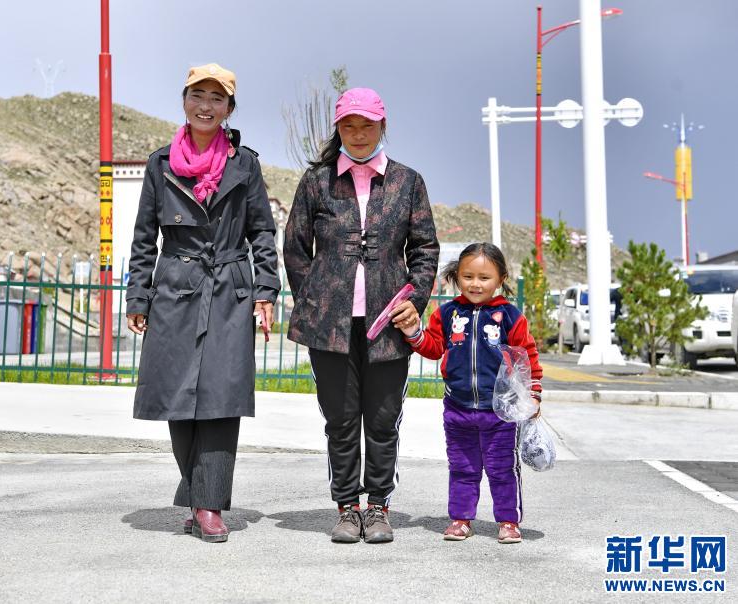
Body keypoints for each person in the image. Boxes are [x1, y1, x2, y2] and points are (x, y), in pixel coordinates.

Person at [125, 63, 280, 543]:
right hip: (176, 287)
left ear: (229, 108)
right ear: (184, 101)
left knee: (221, 397)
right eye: (198, 95)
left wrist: (266, 291)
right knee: (178, 396)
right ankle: (198, 495)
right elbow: (144, 237)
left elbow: (262, 231)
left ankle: (208, 505)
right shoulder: (160, 164)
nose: (206, 106)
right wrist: (139, 295)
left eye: (217, 98)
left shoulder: (245, 163)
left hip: (230, 288)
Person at [284, 87, 439, 544]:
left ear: (381, 126)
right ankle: (347, 507)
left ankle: (378, 507)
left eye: (366, 125)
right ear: (338, 129)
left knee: (383, 419)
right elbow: (295, 249)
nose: (357, 134)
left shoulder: (408, 182)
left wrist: (416, 299)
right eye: (348, 126)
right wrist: (315, 300)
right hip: (330, 327)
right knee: (341, 420)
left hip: (388, 324)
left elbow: (425, 249)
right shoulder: (317, 181)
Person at [394, 242, 542, 544]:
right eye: (468, 276)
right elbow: (433, 348)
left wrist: (533, 394)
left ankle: (509, 521)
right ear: (456, 276)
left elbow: (527, 357)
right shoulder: (447, 313)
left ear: (501, 279)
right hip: (457, 408)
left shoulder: (511, 316)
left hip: (500, 413)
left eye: (484, 278)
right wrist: (413, 333)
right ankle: (461, 519)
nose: (476, 284)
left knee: (502, 469)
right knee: (463, 468)